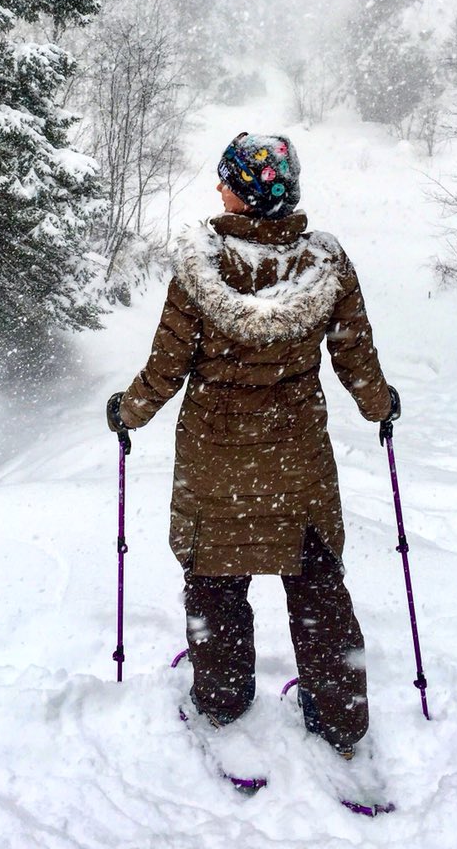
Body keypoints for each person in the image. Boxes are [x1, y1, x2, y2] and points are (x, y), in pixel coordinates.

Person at [106, 131, 399, 758]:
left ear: (242, 194)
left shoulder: (200, 265)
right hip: (297, 459)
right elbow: (356, 354)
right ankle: (341, 718)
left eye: (226, 181)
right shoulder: (324, 263)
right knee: (316, 581)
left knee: (216, 576)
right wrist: (381, 405)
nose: (217, 190)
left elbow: (167, 365)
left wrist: (128, 412)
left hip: (216, 460)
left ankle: (222, 697)